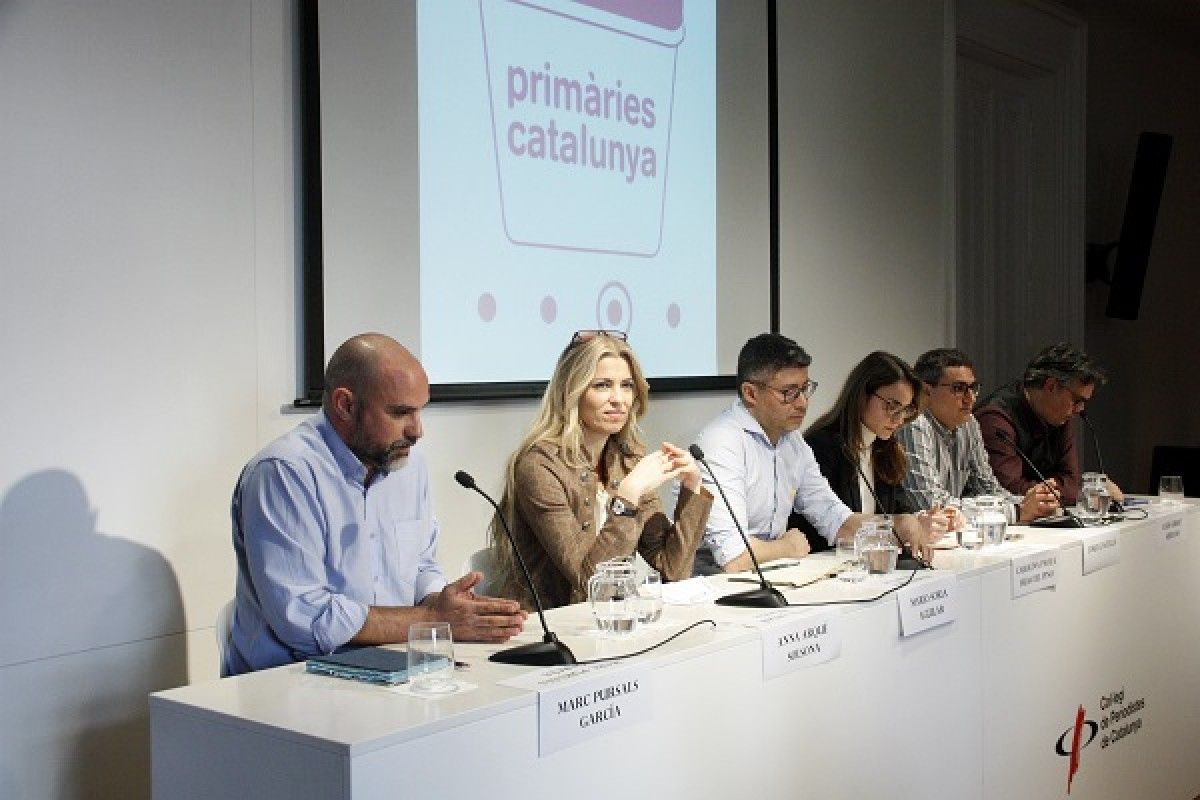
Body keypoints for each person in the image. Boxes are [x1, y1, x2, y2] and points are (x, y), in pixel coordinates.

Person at [225, 333, 527, 676]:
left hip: (394, 667)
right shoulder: (285, 472)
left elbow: (422, 565)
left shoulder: (408, 464)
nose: (417, 431)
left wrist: (440, 602)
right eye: (400, 413)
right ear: (345, 405)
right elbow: (304, 618)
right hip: (291, 681)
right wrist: (429, 619)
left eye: (419, 411)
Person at [489, 331, 713, 610]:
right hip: (547, 628)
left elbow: (672, 570)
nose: (619, 399)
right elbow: (590, 583)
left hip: (608, 623)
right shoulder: (539, 466)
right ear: (572, 392)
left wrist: (692, 487)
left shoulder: (626, 459)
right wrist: (628, 496)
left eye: (627, 386)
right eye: (603, 385)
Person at [691, 334, 948, 575]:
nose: (803, 402)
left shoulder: (792, 443)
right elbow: (733, 557)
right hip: (715, 584)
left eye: (805, 389)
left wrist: (896, 524)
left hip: (773, 574)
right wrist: (788, 547)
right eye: (789, 393)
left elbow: (837, 521)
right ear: (750, 393)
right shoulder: (721, 443)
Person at [791, 351, 959, 551]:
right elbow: (822, 530)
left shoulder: (885, 448)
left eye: (905, 410)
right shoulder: (822, 446)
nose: (899, 419)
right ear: (862, 396)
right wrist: (896, 528)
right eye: (892, 406)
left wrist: (920, 522)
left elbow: (899, 510)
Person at [897, 348, 1059, 523]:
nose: (971, 398)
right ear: (927, 391)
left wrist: (1033, 503)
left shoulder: (969, 423)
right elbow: (930, 505)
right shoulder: (913, 424)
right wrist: (1017, 511)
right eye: (959, 388)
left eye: (973, 388)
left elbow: (988, 489)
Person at [976, 343, 1122, 508]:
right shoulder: (995, 418)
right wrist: (1085, 493)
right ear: (1051, 386)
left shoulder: (1058, 415)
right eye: (1077, 400)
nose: (1080, 409)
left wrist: (1070, 491)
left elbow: (1071, 481)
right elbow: (1010, 490)